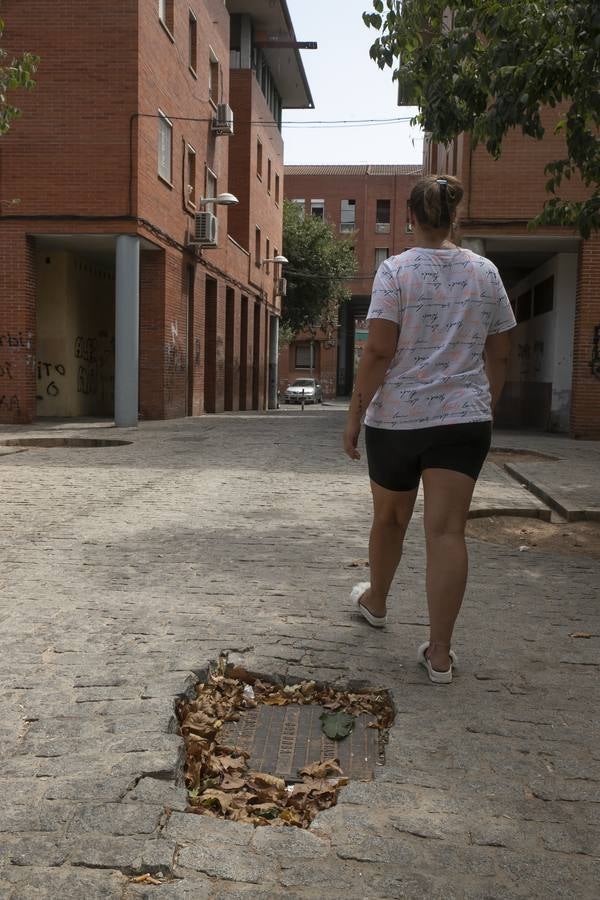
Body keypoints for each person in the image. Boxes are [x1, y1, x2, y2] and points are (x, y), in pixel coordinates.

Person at [343, 174, 516, 684]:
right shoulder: (486, 273)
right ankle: (440, 654)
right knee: (446, 532)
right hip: (463, 420)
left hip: (398, 420)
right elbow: (501, 350)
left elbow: (377, 351)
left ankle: (376, 602)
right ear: (454, 218)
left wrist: (355, 413)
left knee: (390, 519)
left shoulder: (394, 271)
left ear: (410, 219)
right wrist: (484, 404)